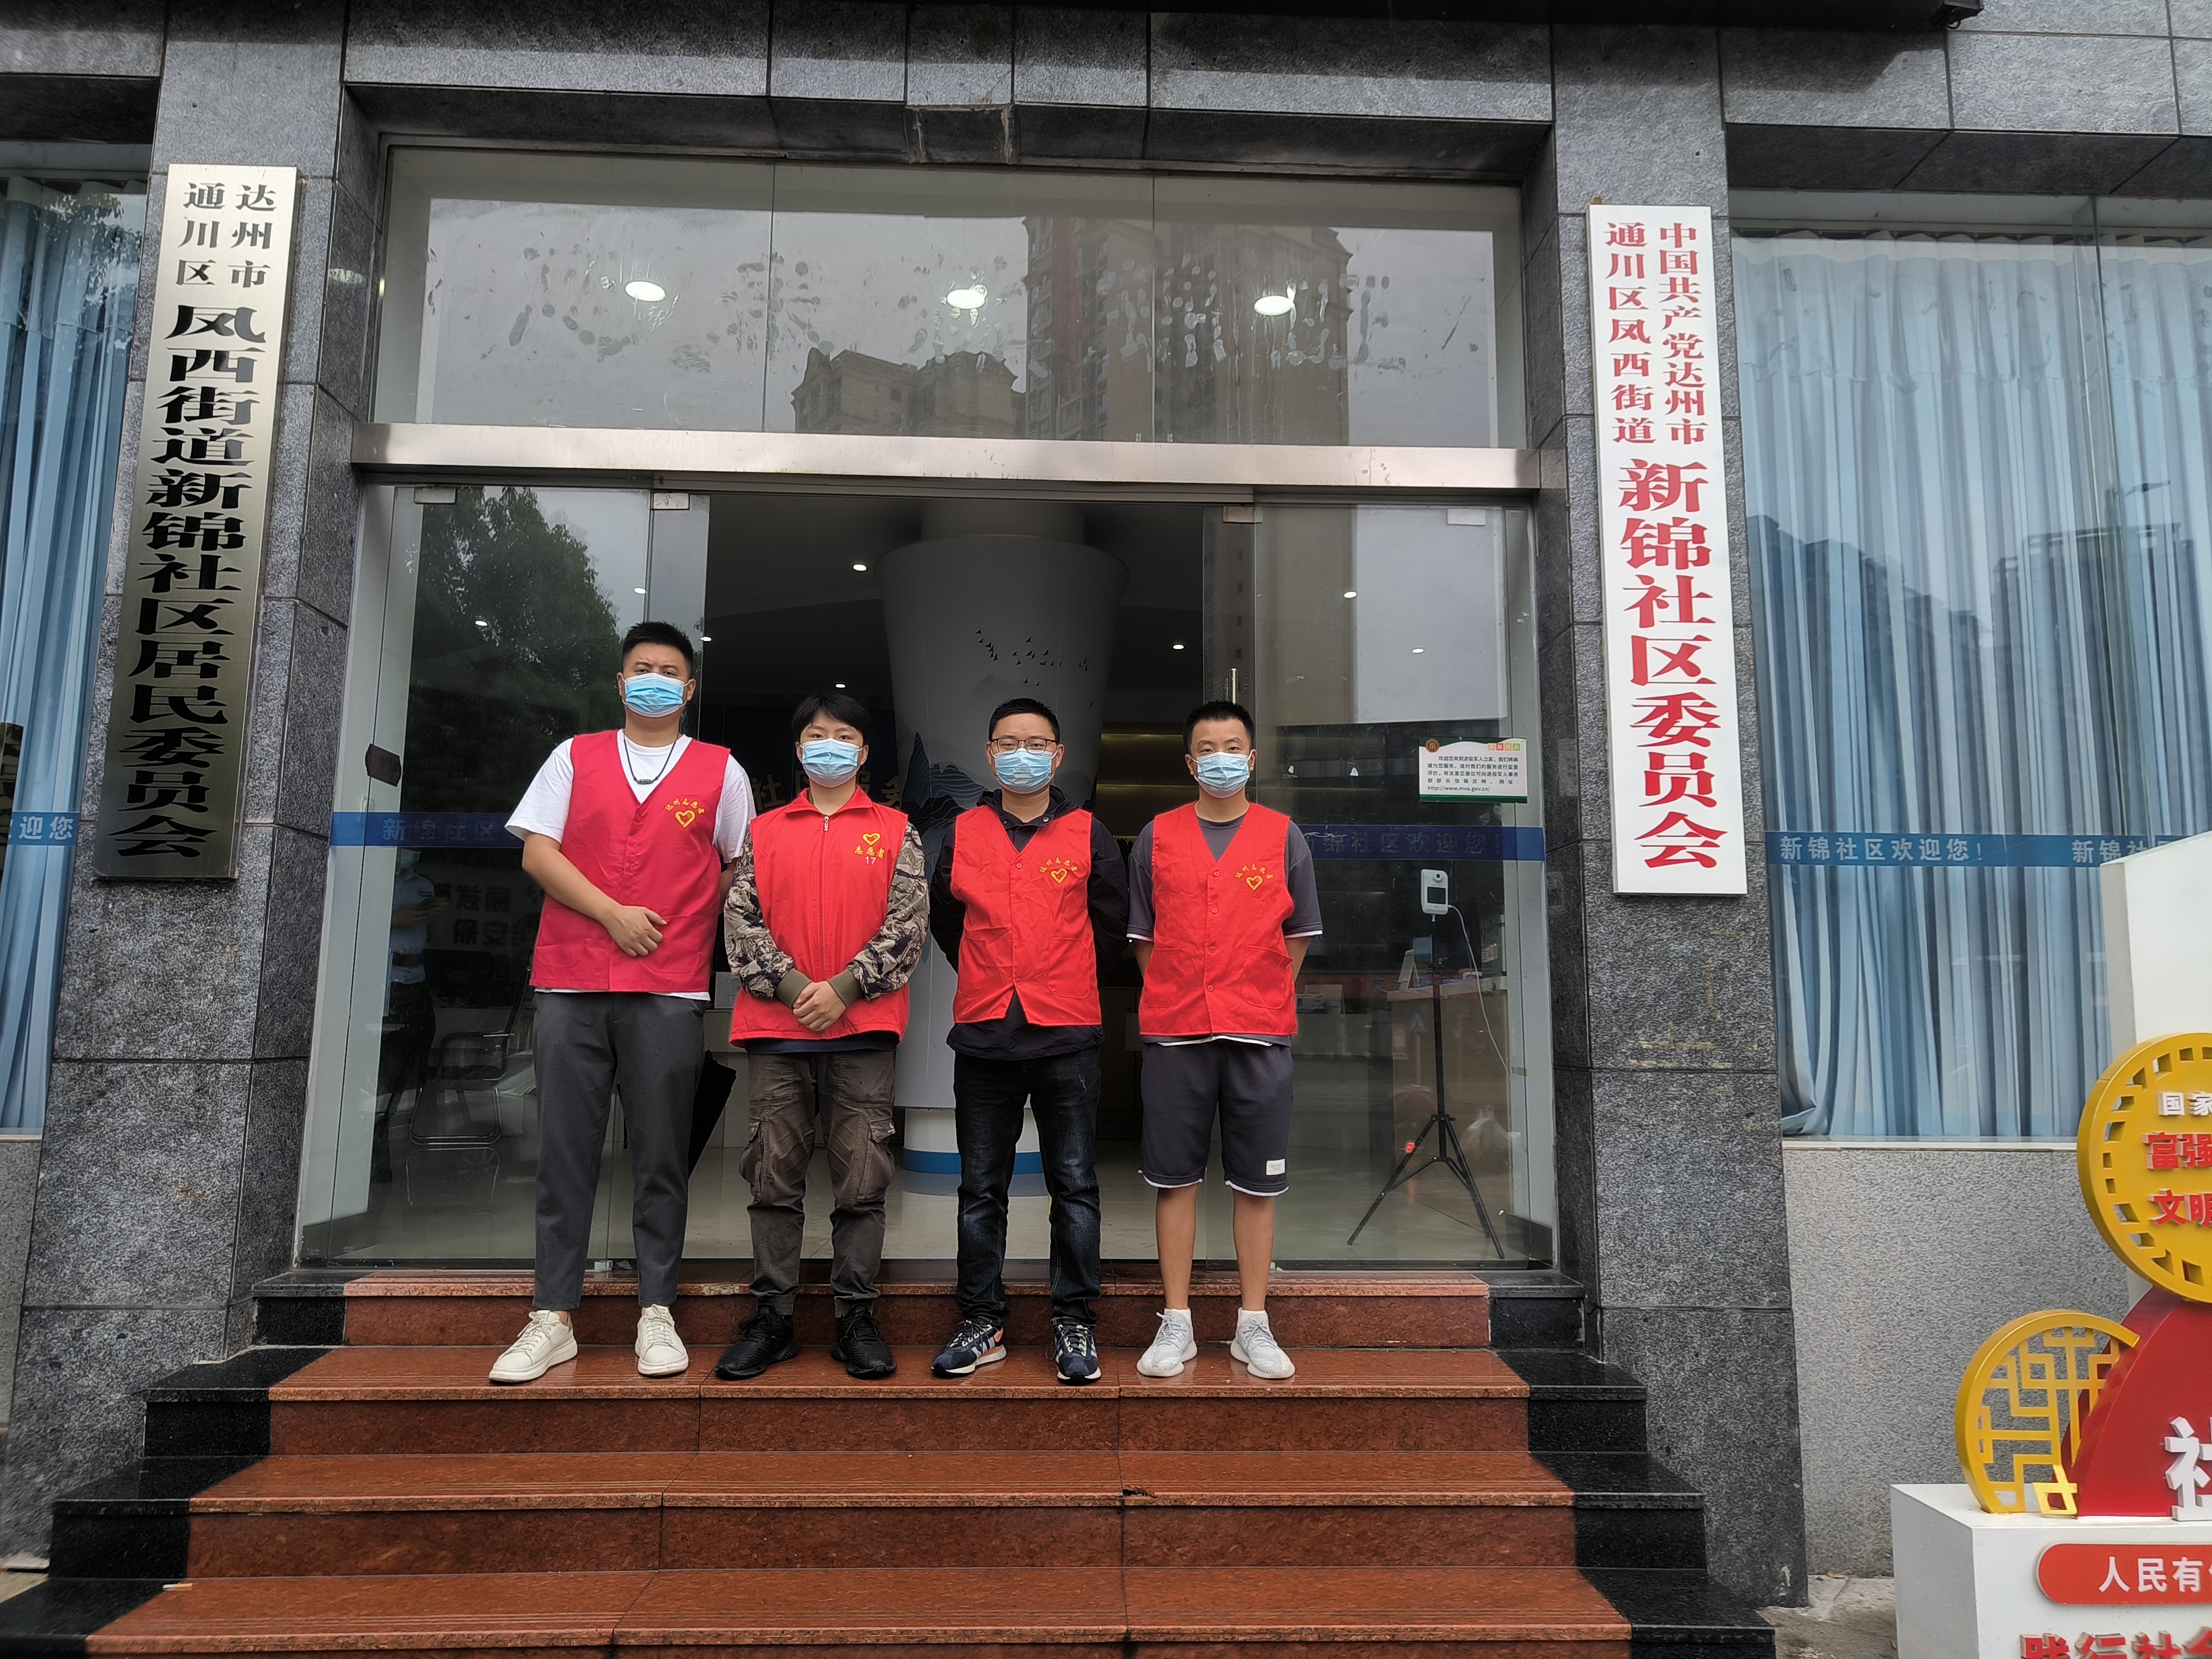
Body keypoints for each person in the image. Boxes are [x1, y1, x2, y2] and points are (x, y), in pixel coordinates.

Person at [488, 621, 753, 1385]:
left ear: (689, 689)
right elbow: (538, 850)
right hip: (570, 980)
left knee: (662, 1155)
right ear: (620, 681)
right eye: (642, 668)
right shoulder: (574, 757)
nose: (655, 681)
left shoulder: (721, 770)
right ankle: (552, 1316)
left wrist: (691, 921)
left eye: (669, 671)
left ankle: (657, 1310)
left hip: (667, 986)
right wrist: (612, 914)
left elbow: (743, 867)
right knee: (564, 1153)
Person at [717, 692, 927, 1381]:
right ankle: (772, 1320)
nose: (828, 745)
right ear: (798, 749)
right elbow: (739, 920)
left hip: (862, 1029)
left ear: (864, 753)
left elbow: (908, 926)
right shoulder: (765, 829)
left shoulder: (895, 829)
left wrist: (842, 989)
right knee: (771, 1180)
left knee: (862, 1182)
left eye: (843, 736)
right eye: (815, 735)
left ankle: (855, 1319)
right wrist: (792, 990)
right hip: (777, 1032)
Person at [926, 697, 1129, 1385]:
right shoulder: (963, 832)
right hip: (985, 1032)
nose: (1023, 754)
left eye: (1036, 743)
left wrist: (1057, 975)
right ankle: (981, 1319)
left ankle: (1073, 1320)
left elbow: (1110, 926)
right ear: (990, 754)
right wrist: (994, 970)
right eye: (1008, 743)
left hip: (1066, 1031)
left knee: (1074, 1184)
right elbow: (947, 921)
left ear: (1058, 754)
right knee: (981, 1188)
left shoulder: (1089, 832)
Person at [1128, 700, 1322, 1382]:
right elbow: (1144, 937)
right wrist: (1180, 991)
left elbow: (1298, 935)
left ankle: (1252, 1323)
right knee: (1174, 1180)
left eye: (1232, 747)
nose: (1220, 759)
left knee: (1257, 1185)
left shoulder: (1282, 835)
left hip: (1258, 1035)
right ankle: (1176, 1321)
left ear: (1252, 757)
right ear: (1190, 762)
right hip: (1176, 1034)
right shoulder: (1156, 835)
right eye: (1207, 749)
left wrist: (1255, 992)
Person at [371, 847, 445, 1184]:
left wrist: (440, 914)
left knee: (415, 1059)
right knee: (382, 1073)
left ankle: (406, 1141)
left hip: (416, 979)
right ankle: (375, 1157)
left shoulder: (423, 885)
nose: (411, 852)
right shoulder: (372, 878)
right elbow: (347, 916)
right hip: (382, 980)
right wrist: (390, 919)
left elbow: (436, 935)